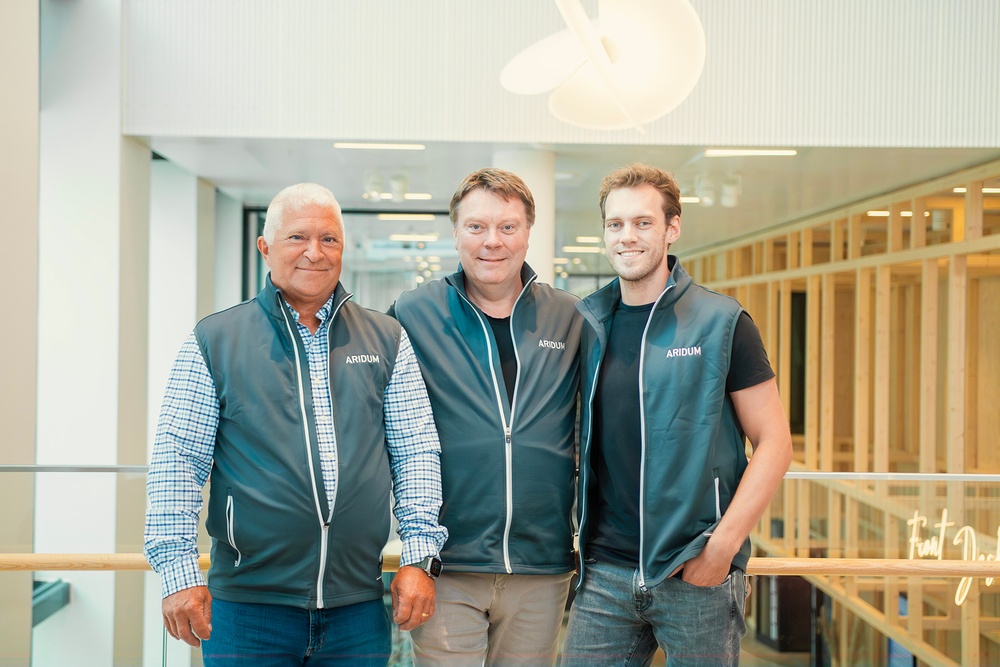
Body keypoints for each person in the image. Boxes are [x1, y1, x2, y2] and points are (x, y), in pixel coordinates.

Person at [144, 182, 448, 666]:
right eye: (297, 238)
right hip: (247, 610)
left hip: (357, 608)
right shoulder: (214, 339)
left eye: (329, 239)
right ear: (265, 247)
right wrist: (178, 574)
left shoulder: (388, 338)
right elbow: (177, 460)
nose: (315, 252)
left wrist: (419, 556)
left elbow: (416, 451)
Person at [561, 164, 793, 667]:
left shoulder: (722, 322)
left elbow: (774, 442)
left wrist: (722, 548)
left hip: (695, 572)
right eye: (615, 224)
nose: (627, 237)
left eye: (643, 223)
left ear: (672, 228)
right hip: (604, 574)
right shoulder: (586, 323)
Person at [389, 168, 583, 666]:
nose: (492, 241)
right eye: (476, 227)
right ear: (455, 233)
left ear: (527, 233)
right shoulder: (413, 313)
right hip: (446, 564)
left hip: (542, 564)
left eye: (508, 227)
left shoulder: (571, 318)